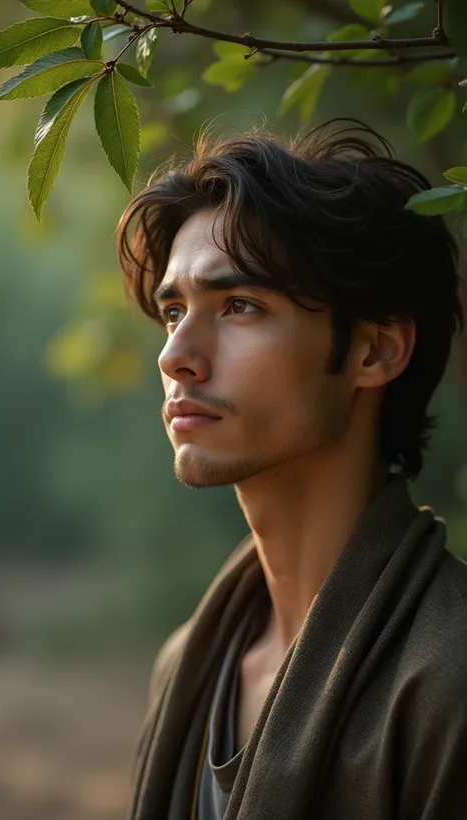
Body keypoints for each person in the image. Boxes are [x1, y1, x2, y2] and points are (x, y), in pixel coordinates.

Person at [117, 118, 467, 820]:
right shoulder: (185, 664)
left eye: (240, 306)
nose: (175, 354)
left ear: (376, 352)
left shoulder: (450, 679)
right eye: (174, 311)